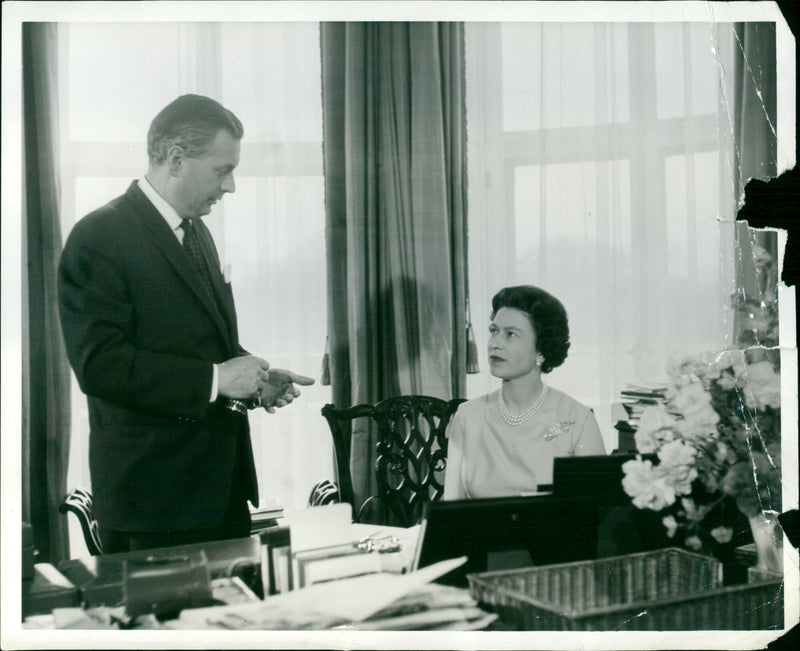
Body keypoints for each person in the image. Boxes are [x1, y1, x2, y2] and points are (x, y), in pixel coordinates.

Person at [57, 94, 314, 552]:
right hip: (154, 506)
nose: (231, 186)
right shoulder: (99, 237)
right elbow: (99, 366)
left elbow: (194, 343)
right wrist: (217, 378)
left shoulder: (196, 233)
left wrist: (252, 379)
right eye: (222, 169)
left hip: (217, 496)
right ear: (176, 159)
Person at [444, 285, 606, 500]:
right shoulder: (467, 416)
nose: (495, 344)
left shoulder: (578, 420)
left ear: (541, 350)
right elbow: (452, 515)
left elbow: (595, 514)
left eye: (511, 334)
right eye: (494, 331)